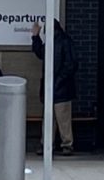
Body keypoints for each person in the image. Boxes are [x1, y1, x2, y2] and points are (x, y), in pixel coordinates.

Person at [29, 19, 77, 154]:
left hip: (57, 85)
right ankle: (64, 144)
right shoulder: (62, 41)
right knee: (61, 118)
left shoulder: (59, 42)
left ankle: (51, 143)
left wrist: (35, 37)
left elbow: (70, 65)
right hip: (60, 85)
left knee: (55, 117)